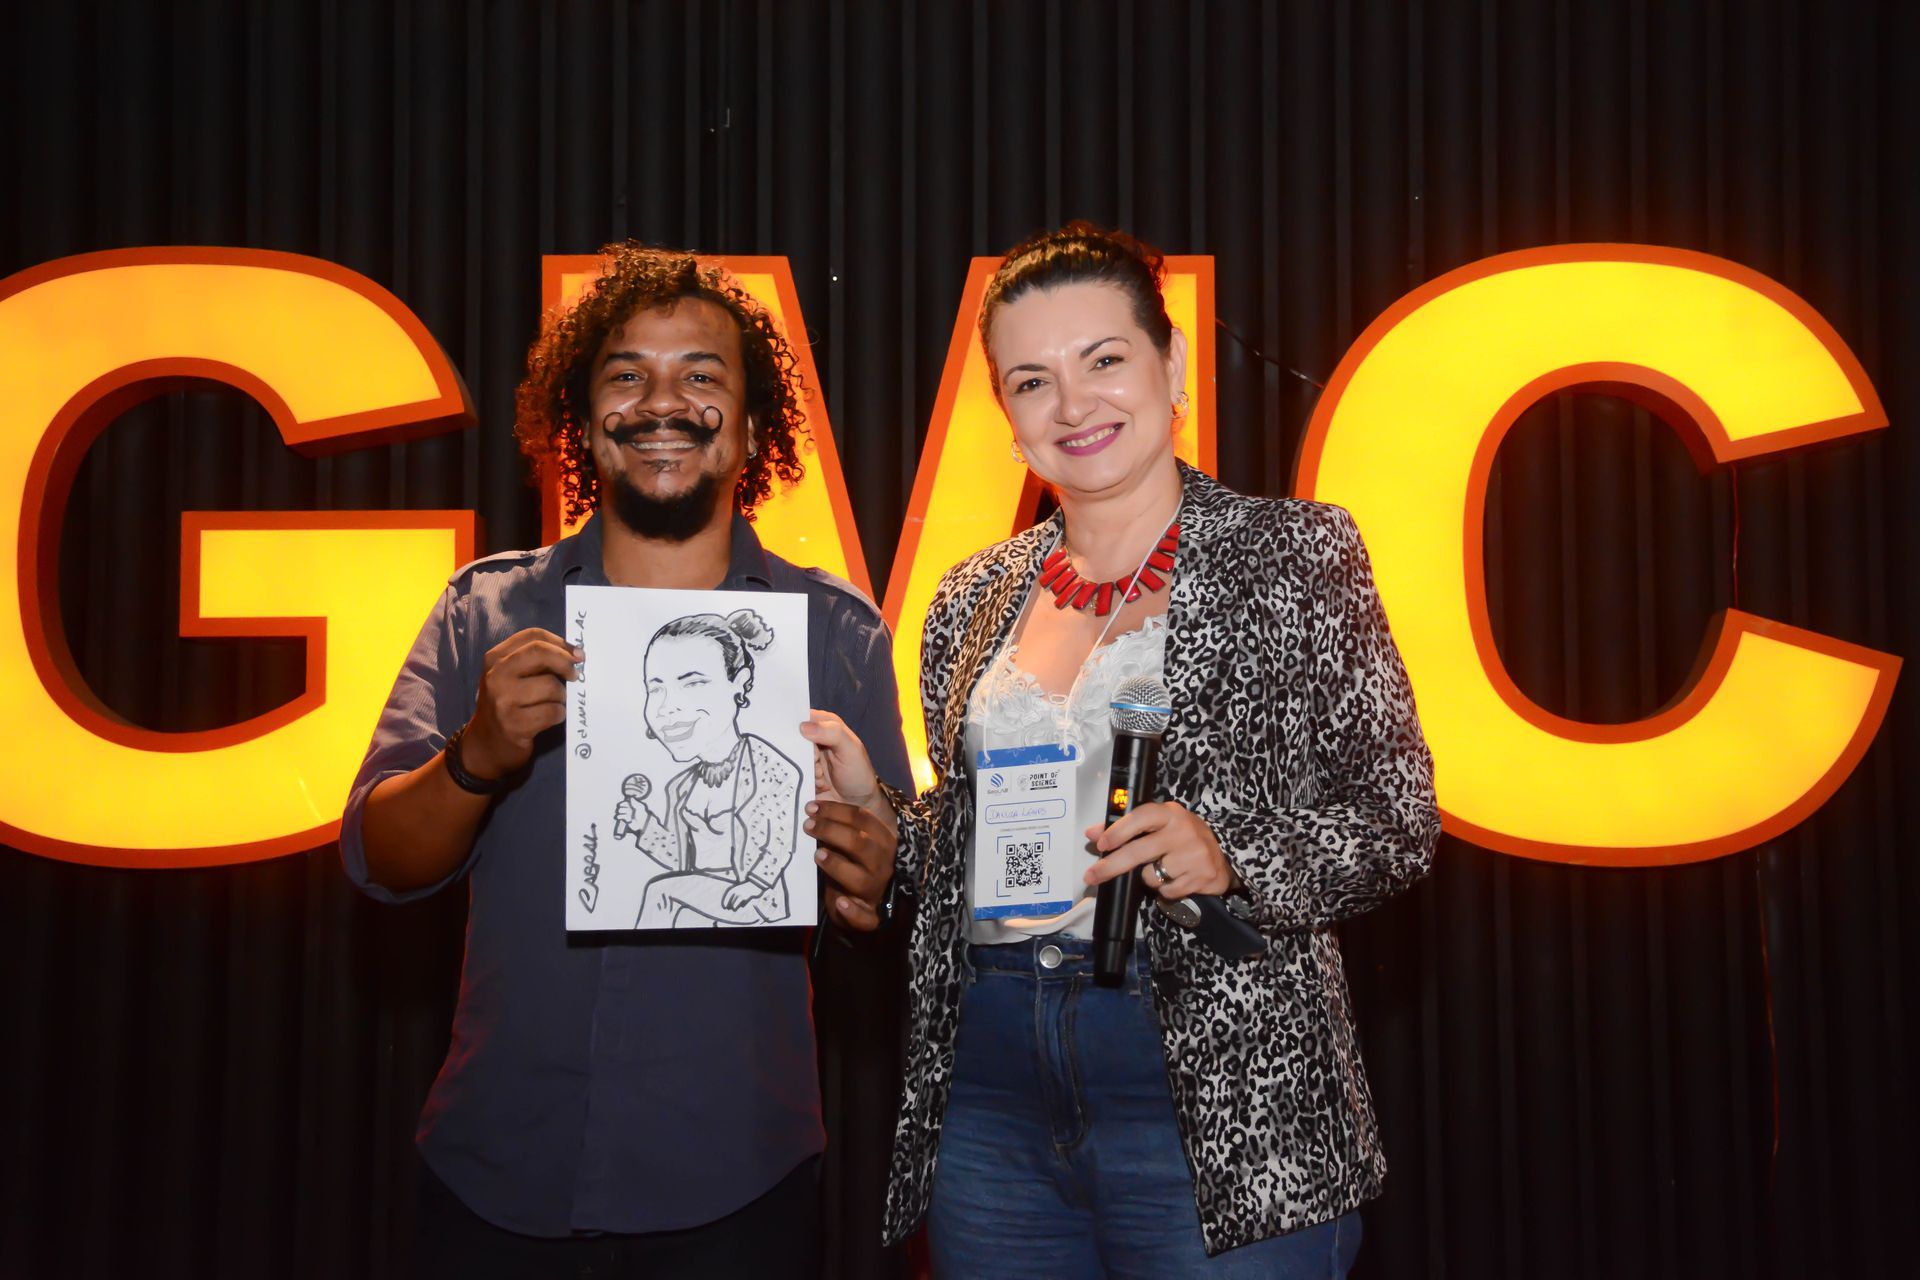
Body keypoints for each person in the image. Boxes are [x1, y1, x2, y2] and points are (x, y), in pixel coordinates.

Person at [805, 223, 1440, 1277]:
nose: (1073, 404)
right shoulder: (970, 596)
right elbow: (974, 848)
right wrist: (883, 822)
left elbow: (1396, 818)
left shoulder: (1293, 554)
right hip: (992, 1086)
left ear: (1171, 364)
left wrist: (1232, 855)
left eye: (1103, 358)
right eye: (1032, 381)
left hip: (1217, 1091)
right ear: (1006, 413)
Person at [339, 242, 910, 1279]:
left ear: (752, 426)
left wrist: (875, 879)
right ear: (584, 415)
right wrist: (477, 755)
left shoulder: (833, 633)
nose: (662, 402)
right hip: (497, 1166)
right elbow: (382, 858)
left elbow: (885, 899)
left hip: (739, 1178)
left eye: (701, 374)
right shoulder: (486, 610)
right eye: (626, 374)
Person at [620, 609, 806, 927]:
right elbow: (679, 859)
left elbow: (780, 842)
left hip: (752, 900)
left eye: (692, 683)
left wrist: (756, 884)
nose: (666, 707)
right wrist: (643, 824)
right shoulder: (681, 787)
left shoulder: (771, 767)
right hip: (700, 904)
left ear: (739, 684)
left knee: (660, 892)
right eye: (655, 688)